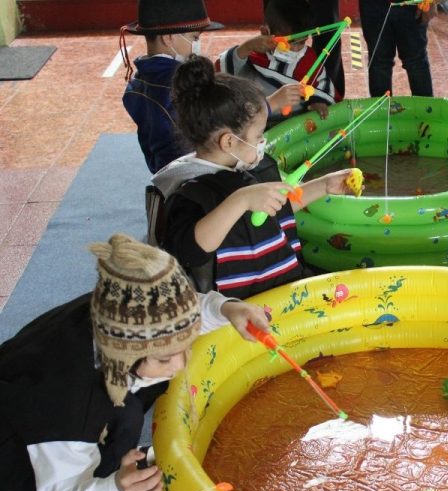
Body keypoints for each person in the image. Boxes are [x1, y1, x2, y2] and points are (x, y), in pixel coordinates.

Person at [0, 234, 271, 491]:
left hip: (42, 397)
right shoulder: (72, 409)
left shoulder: (123, 308)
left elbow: (183, 307)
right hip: (16, 456)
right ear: (125, 353)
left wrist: (227, 309)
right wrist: (115, 489)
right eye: (165, 358)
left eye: (186, 345)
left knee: (125, 413)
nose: (182, 364)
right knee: (86, 459)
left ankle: (106, 461)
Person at [161, 55, 353, 299]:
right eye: (258, 136)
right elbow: (191, 251)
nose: (262, 142)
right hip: (241, 309)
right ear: (229, 141)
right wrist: (240, 200)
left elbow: (277, 206)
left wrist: (325, 185)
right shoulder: (190, 190)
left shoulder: (246, 167)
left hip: (284, 289)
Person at [121, 0, 302, 174]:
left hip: (166, 174)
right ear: (168, 38)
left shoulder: (138, 83)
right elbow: (221, 121)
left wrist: (245, 48)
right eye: (195, 37)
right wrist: (270, 103)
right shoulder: (181, 85)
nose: (197, 44)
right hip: (198, 176)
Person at [216, 0, 339, 124]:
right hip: (256, 125)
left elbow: (322, 85)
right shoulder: (252, 56)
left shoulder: (308, 59)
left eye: (302, 42)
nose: (296, 50)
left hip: (295, 127)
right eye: (289, 42)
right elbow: (221, 76)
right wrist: (247, 47)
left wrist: (318, 101)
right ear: (265, 32)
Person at [359, 0, 435, 97]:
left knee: (415, 62)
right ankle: (382, 111)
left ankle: (425, 111)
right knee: (379, 63)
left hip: (411, 5)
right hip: (373, 5)